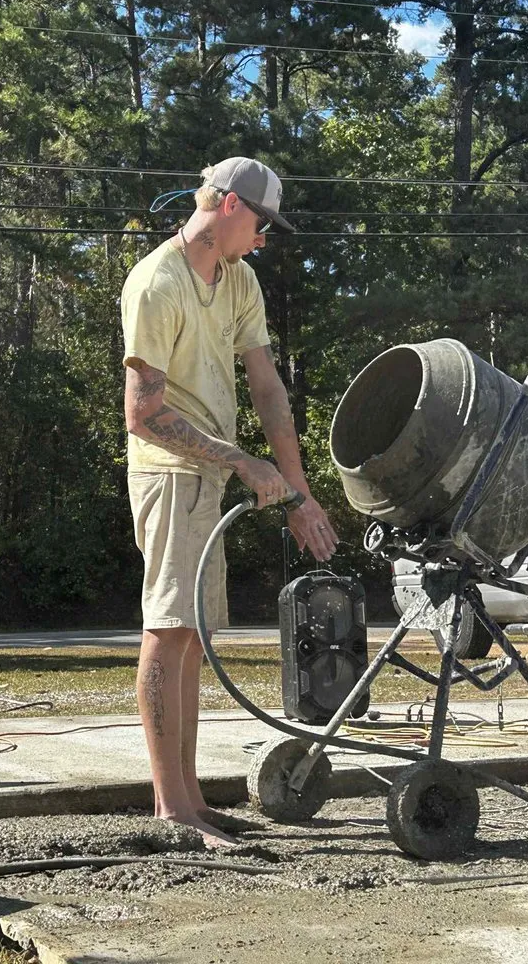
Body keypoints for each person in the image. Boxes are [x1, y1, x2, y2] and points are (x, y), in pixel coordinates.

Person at [121, 157, 340, 846]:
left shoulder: (238, 278)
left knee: (193, 637)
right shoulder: (157, 282)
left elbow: (268, 390)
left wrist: (299, 493)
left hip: (207, 478)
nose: (264, 240)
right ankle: (171, 809)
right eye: (262, 224)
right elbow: (142, 414)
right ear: (231, 205)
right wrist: (244, 462)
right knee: (168, 630)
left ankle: (189, 799)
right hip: (169, 474)